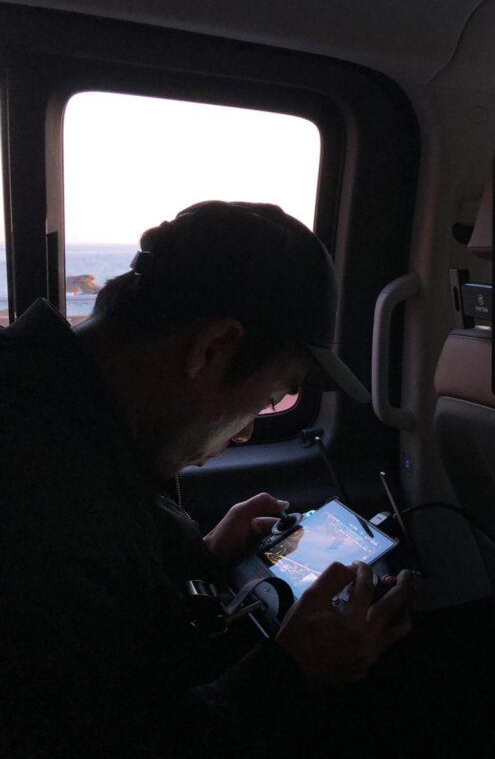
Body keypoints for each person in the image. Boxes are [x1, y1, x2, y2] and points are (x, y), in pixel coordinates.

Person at [0, 202, 418, 757]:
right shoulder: (41, 515)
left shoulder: (51, 412)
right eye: (270, 399)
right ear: (213, 348)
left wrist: (196, 559)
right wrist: (292, 671)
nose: (244, 435)